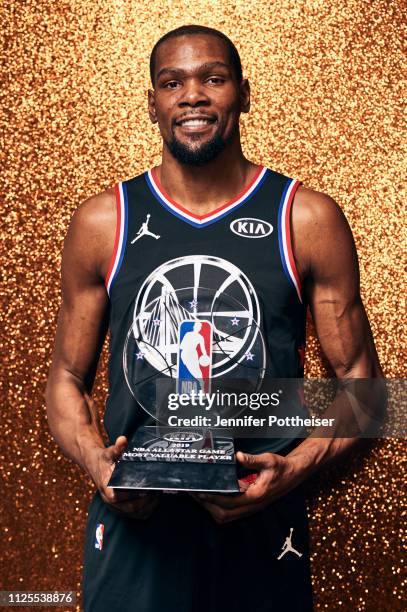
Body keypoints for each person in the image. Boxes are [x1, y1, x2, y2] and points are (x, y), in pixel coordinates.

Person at [45, 24, 384, 612]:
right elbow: (64, 383)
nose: (193, 95)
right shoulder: (104, 221)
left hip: (261, 520)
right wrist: (96, 461)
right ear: (153, 104)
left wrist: (295, 467)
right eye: (173, 82)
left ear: (244, 94)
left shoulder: (305, 217)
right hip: (138, 529)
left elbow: (369, 393)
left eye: (214, 78)